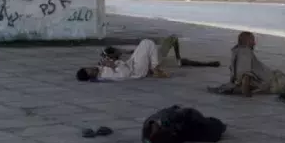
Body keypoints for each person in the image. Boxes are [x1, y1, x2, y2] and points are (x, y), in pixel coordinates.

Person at [207, 31, 285, 97]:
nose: (255, 43)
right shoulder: (245, 52)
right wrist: (247, 93)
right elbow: (245, 73)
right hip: (274, 82)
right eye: (253, 41)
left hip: (273, 77)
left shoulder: (237, 51)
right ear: (247, 42)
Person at [76, 36, 220, 82]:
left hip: (131, 63)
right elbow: (125, 74)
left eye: (88, 68)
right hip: (135, 71)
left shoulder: (101, 69)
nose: (91, 68)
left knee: (145, 46)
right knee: (147, 43)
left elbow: (120, 59)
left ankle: (156, 66)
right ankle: (155, 68)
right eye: (89, 71)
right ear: (90, 76)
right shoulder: (106, 75)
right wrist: (113, 64)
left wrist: (109, 59)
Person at [142, 105, 226, 143]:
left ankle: (218, 125)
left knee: (214, 130)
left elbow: (190, 112)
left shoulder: (169, 117)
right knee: (213, 135)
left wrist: (201, 122)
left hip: (187, 120)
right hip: (180, 130)